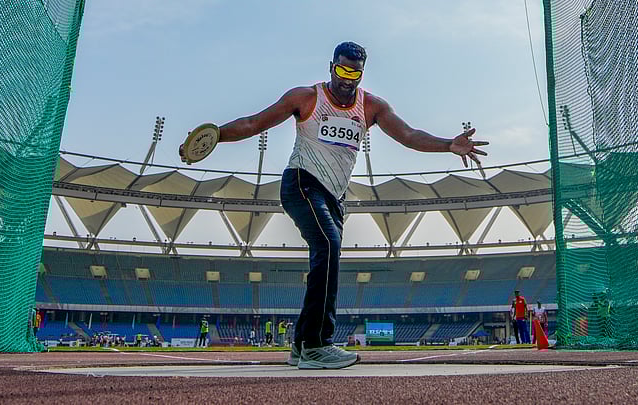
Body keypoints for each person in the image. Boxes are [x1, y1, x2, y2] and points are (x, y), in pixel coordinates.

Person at [181, 41, 487, 370]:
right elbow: (254, 123)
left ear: (361, 74)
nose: (346, 78)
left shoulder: (372, 107)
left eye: (354, 72)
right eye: (342, 70)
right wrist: (214, 137)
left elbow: (408, 135)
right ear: (331, 67)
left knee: (326, 256)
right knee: (328, 244)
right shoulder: (306, 98)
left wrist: (448, 146)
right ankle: (317, 344)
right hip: (301, 182)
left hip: (334, 196)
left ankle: (301, 344)